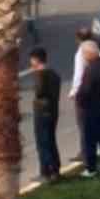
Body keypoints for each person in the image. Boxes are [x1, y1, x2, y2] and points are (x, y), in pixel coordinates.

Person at [75, 41, 100, 178]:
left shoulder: (90, 70)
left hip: (92, 110)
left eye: (84, 54)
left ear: (89, 54)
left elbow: (85, 90)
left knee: (90, 140)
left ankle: (91, 168)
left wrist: (79, 100)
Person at [28, 47, 62, 183]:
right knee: (51, 141)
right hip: (53, 110)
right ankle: (55, 169)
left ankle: (46, 172)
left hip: (42, 112)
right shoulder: (54, 73)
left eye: (32, 60)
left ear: (36, 59)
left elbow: (39, 92)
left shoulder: (41, 74)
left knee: (43, 143)